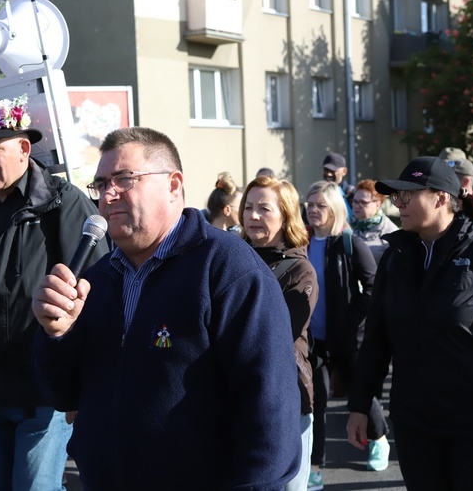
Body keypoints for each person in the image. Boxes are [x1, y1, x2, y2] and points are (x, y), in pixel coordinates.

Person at [32, 126, 302, 490]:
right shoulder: (95, 280)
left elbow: (270, 412)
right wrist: (56, 334)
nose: (108, 194)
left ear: (174, 185)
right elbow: (64, 395)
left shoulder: (228, 269)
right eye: (100, 184)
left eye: (124, 179)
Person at [0, 95, 109, 491]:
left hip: (45, 392)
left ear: (24, 148)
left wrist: (84, 385)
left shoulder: (65, 204)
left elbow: (99, 298)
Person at [347, 156, 473, 491]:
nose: (398, 203)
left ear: (441, 198)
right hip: (414, 420)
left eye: (408, 195)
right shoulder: (396, 257)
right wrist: (360, 404)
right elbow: (376, 338)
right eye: (396, 196)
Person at [304, 180, 384, 490]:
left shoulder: (351, 243)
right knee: (316, 404)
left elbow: (373, 288)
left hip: (348, 340)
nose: (312, 210)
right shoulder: (303, 242)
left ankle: (377, 437)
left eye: (319, 205)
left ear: (334, 208)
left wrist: (351, 321)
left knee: (359, 394)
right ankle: (315, 466)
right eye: (309, 204)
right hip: (314, 341)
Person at [240, 176, 318, 491]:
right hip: (235, 395)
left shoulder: (300, 271)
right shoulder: (231, 257)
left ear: (285, 215)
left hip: (285, 396)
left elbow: (276, 337)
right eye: (248, 207)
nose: (253, 216)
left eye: (264, 208)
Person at [351, 179, 399, 264]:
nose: (356, 206)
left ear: (378, 204)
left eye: (363, 202)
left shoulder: (390, 234)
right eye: (355, 201)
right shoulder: (347, 226)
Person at [322, 153, 355, 219]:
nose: (329, 174)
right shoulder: (317, 194)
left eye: (333, 170)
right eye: (326, 170)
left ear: (344, 171)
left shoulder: (352, 195)